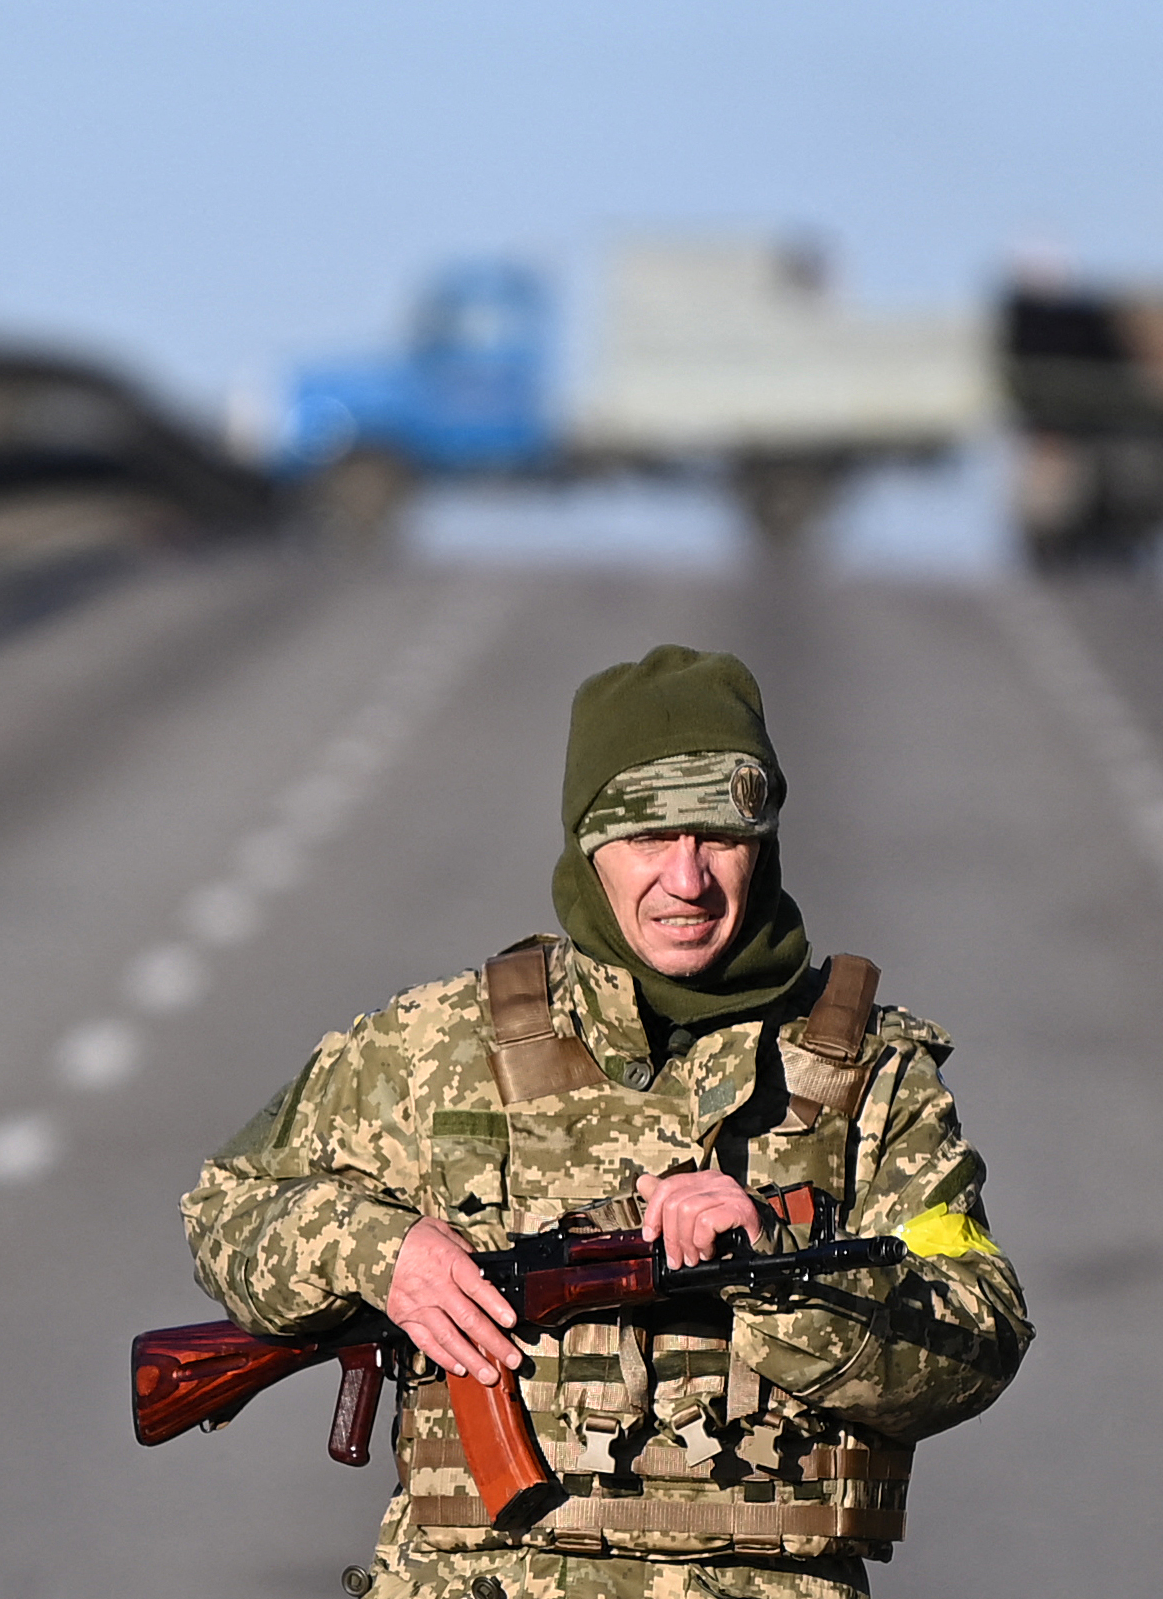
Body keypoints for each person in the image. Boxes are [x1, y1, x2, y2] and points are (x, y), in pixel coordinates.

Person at [184, 646, 1031, 1598]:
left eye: (720, 838)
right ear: (588, 847)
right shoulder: (432, 1045)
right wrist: (376, 1250)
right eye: (647, 839)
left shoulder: (873, 1074)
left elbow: (979, 1338)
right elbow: (228, 1207)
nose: (688, 880)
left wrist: (775, 1270)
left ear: (765, 841)